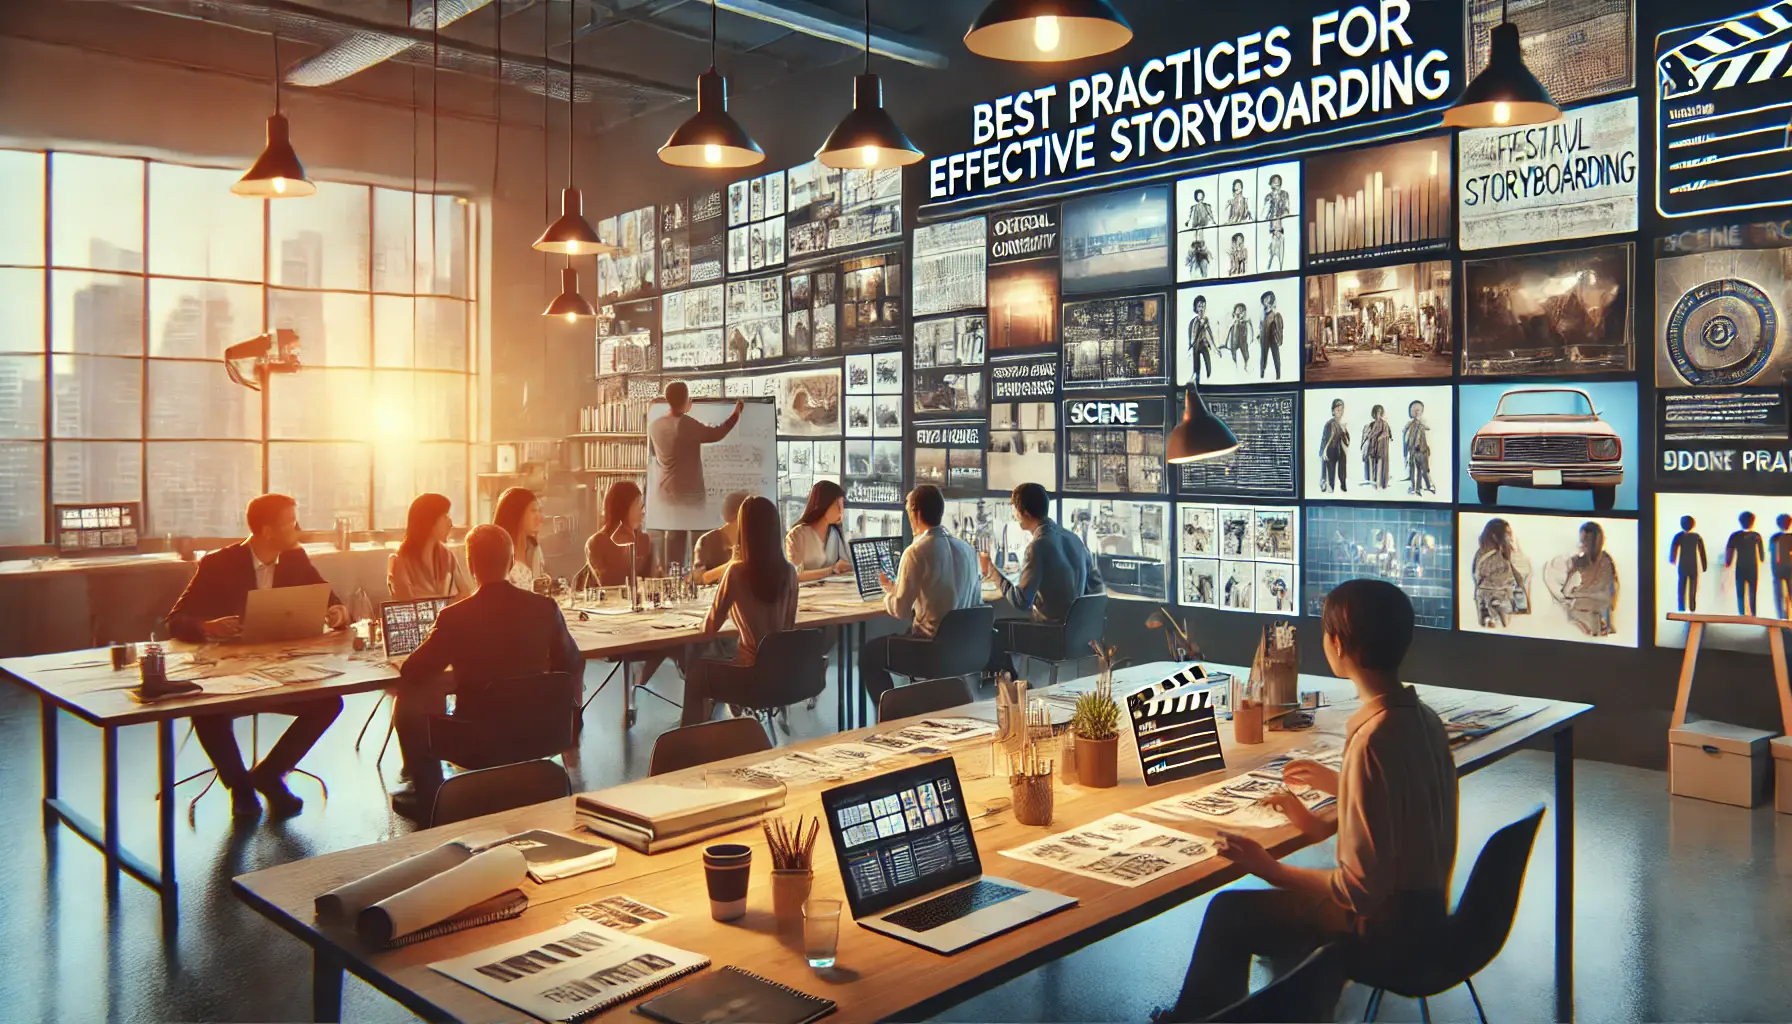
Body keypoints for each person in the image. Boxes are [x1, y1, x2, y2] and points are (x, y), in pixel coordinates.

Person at [1163, 579, 1457, 1022]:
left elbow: (1358, 892)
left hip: (1388, 934)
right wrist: (1342, 787)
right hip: (1429, 917)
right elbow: (1407, 804)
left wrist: (1271, 869)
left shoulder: (1371, 740)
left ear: (1336, 643)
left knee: (1228, 912)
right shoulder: (1426, 720)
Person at [165, 493, 348, 819]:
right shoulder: (218, 563)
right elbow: (176, 620)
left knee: (329, 702)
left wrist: (337, 610)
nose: (298, 529)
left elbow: (329, 598)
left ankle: (270, 773)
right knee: (207, 711)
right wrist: (208, 626)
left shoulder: (296, 559)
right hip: (229, 673)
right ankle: (240, 788)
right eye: (291, 523)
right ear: (267, 531)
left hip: (282, 671)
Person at [389, 525, 582, 819]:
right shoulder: (545, 608)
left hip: (478, 740)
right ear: (511, 560)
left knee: (407, 705)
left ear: (470, 565)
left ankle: (430, 802)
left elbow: (414, 672)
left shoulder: (455, 617)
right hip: (541, 729)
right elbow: (572, 662)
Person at [681, 497, 799, 726]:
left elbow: (709, 629)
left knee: (696, 671)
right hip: (782, 674)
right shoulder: (790, 572)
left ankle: (688, 746)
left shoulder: (736, 572)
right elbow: (789, 627)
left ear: (744, 531)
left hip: (748, 675)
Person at [861, 485, 983, 707]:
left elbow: (900, 610)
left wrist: (887, 595)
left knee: (869, 654)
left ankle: (891, 712)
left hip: (930, 649)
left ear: (915, 513)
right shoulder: (967, 549)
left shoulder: (916, 551)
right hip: (966, 646)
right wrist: (897, 588)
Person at [980, 483, 1104, 678]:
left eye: (1014, 510)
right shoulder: (1073, 538)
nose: (1013, 515)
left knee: (997, 630)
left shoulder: (1037, 547)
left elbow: (1021, 601)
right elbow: (1094, 586)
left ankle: (1011, 686)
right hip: (1077, 632)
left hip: (1051, 634)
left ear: (1026, 513)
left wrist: (991, 571)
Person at [648, 382, 744, 511]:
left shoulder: (654, 425)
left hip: (664, 491)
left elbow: (655, 454)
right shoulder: (685, 424)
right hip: (687, 494)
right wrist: (736, 414)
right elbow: (717, 434)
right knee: (695, 528)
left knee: (672, 530)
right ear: (685, 399)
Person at [388, 492, 473, 602]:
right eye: (445, 517)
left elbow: (465, 595)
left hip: (445, 618)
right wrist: (448, 604)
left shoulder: (447, 556)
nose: (450, 523)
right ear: (429, 521)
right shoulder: (399, 560)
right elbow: (404, 604)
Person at [785, 480, 851, 581]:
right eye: (838, 505)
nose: (841, 511)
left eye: (842, 506)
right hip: (807, 593)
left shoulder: (834, 533)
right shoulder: (796, 535)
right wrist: (831, 570)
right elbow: (796, 574)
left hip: (833, 591)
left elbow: (844, 564)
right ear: (825, 504)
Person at [1563, 521, 1618, 636]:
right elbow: (1615, 587)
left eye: (1583, 540)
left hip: (1584, 606)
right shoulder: (1607, 559)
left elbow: (1566, 590)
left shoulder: (1577, 561)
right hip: (1603, 607)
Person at [692, 490, 751, 586]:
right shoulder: (706, 541)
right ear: (738, 516)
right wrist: (731, 564)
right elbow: (699, 579)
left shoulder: (751, 540)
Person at [492, 487, 546, 591]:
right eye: (534, 511)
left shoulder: (535, 550)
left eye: (539, 511)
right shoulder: (498, 558)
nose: (540, 518)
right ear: (517, 513)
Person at [1472, 517, 1522, 628]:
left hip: (1483, 602)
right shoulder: (1498, 559)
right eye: (1508, 533)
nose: (1511, 536)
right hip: (1498, 603)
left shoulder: (1480, 553)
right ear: (1495, 536)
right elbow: (1507, 585)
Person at [1726, 512, 1766, 616]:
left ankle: (1742, 614)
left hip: (1740, 566)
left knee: (1740, 593)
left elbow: (1730, 549)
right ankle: (1753, 614)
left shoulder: (1735, 535)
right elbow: (1761, 552)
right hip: (1753, 566)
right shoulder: (1756, 536)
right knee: (1752, 592)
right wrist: (1762, 558)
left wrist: (1728, 562)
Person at [1669, 515, 1706, 613]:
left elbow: (1702, 552)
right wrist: (1704, 565)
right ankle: (1686, 608)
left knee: (1685, 587)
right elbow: (1702, 552)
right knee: (1687, 587)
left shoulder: (1681, 536)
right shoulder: (1695, 537)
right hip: (1690, 565)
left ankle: (1687, 608)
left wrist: (1672, 559)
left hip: (1685, 565)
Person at [1403, 400, 1434, 496]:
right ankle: (1414, 488)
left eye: (1418, 410)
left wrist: (1420, 423)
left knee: (1424, 470)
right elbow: (1406, 435)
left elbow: (1428, 428)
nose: (1415, 411)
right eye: (1413, 409)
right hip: (1412, 451)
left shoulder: (1423, 423)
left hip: (1422, 450)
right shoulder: (1410, 424)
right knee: (1413, 470)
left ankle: (1428, 486)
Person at [1320, 398, 1350, 493]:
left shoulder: (1342, 425)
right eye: (1337, 410)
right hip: (1330, 450)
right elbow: (1325, 439)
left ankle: (1343, 484)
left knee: (1343, 461)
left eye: (1341, 410)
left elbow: (1347, 443)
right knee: (1330, 470)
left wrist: (1344, 431)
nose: (1340, 412)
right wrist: (1323, 451)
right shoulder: (1329, 424)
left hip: (1338, 449)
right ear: (1333, 411)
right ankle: (1330, 486)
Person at [1360, 404, 1392, 490]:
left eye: (1379, 412)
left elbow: (1386, 433)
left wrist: (1379, 437)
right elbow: (1368, 435)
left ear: (1381, 413)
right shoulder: (1371, 424)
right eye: (1376, 413)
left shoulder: (1384, 424)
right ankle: (1371, 483)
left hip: (1381, 448)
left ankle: (1379, 484)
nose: (1377, 415)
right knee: (1370, 465)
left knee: (1380, 466)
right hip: (1372, 447)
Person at [1186, 294, 1215, 381]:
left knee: (1208, 365)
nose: (1201, 309)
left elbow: (1210, 333)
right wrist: (1190, 345)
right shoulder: (1193, 322)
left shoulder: (1206, 320)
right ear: (1196, 308)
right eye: (1199, 306)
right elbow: (1191, 335)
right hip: (1195, 346)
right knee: (1196, 368)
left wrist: (1213, 345)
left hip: (1204, 344)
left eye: (1203, 306)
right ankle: (1197, 383)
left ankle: (1208, 380)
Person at [1259, 289, 1283, 379]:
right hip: (1264, 337)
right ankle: (1262, 374)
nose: (1266, 300)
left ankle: (1278, 375)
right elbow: (1261, 326)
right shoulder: (1262, 314)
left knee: (1276, 356)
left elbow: (1279, 327)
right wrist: (1259, 335)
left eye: (1268, 298)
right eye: (1265, 299)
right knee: (1263, 357)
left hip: (1273, 338)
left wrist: (1279, 338)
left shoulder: (1275, 313)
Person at [1774, 514, 1792, 620]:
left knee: (1779, 595)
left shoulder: (1775, 537)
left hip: (1780, 569)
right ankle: (1784, 616)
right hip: (1788, 568)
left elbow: (1774, 556)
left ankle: (1781, 616)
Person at [1224, 301, 1252, 370]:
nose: (1240, 313)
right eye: (1238, 310)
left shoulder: (1246, 323)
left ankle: (1246, 365)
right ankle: (1235, 365)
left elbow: (1250, 335)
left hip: (1243, 343)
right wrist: (1234, 321)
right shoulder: (1232, 323)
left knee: (1245, 355)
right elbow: (1227, 333)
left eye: (1242, 311)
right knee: (1234, 357)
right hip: (1234, 343)